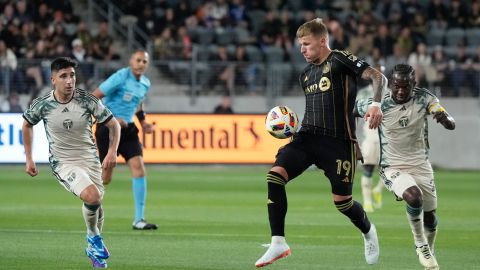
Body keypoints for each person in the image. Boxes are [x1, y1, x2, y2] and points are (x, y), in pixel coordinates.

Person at [255, 18, 385, 268]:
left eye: (306, 44)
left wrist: (376, 105)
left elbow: (378, 77)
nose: (302, 49)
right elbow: (317, 109)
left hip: (338, 142)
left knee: (343, 203)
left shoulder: (339, 59)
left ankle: (369, 232)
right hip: (307, 136)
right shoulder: (306, 74)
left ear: (322, 40)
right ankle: (278, 242)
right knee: (274, 177)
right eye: (300, 45)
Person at [22, 57, 121, 268]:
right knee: (92, 197)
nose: (69, 81)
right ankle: (94, 239)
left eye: (72, 75)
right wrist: (29, 157)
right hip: (64, 162)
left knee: (96, 204)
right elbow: (27, 125)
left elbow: (114, 126)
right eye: (63, 76)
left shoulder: (87, 100)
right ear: (52, 80)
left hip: (90, 160)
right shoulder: (43, 104)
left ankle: (93, 248)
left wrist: (112, 151)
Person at [355, 64, 455, 270]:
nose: (401, 91)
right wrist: (353, 141)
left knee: (431, 218)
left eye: (406, 86)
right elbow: (352, 110)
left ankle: (429, 247)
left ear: (414, 84)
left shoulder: (425, 98)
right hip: (393, 165)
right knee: (413, 196)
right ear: (390, 84)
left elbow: (450, 121)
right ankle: (420, 244)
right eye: (396, 86)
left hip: (421, 165)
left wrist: (446, 120)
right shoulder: (379, 104)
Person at [92, 50, 158, 230]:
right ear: (131, 61)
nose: (141, 64)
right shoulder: (119, 77)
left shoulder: (145, 83)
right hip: (108, 129)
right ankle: (90, 205)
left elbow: (137, 103)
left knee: (139, 169)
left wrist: (143, 123)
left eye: (144, 61)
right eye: (138, 60)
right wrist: (111, 118)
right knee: (106, 177)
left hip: (128, 130)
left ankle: (139, 220)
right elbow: (94, 96)